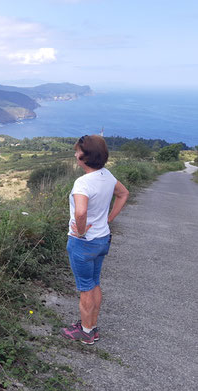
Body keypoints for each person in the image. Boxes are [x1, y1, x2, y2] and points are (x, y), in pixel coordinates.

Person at [60, 135, 129, 345]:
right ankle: (91, 326)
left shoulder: (82, 183)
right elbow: (123, 193)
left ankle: (86, 332)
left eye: (77, 152)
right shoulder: (106, 175)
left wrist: (80, 232)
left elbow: (80, 213)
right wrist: (107, 219)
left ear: (85, 157)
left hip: (84, 243)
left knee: (85, 288)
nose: (75, 154)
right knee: (94, 282)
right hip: (102, 239)